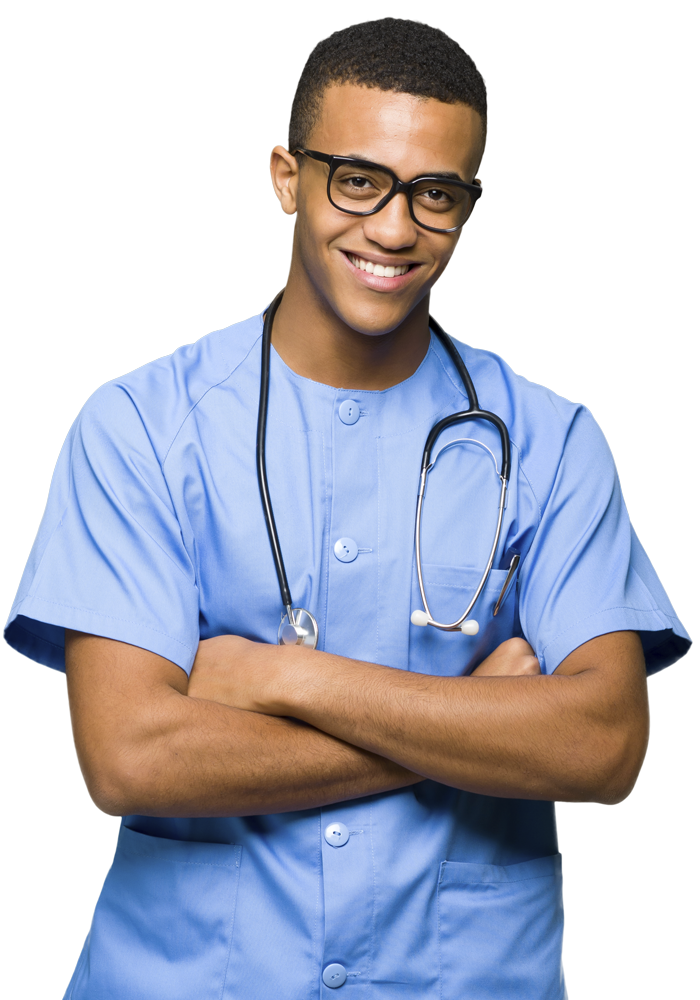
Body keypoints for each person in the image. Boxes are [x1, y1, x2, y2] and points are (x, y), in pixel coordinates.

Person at [4, 18, 689, 1000]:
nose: (395, 228)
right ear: (287, 177)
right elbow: (129, 757)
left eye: (436, 193)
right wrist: (476, 727)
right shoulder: (141, 427)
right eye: (359, 180)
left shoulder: (551, 441)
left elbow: (606, 746)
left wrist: (282, 679)